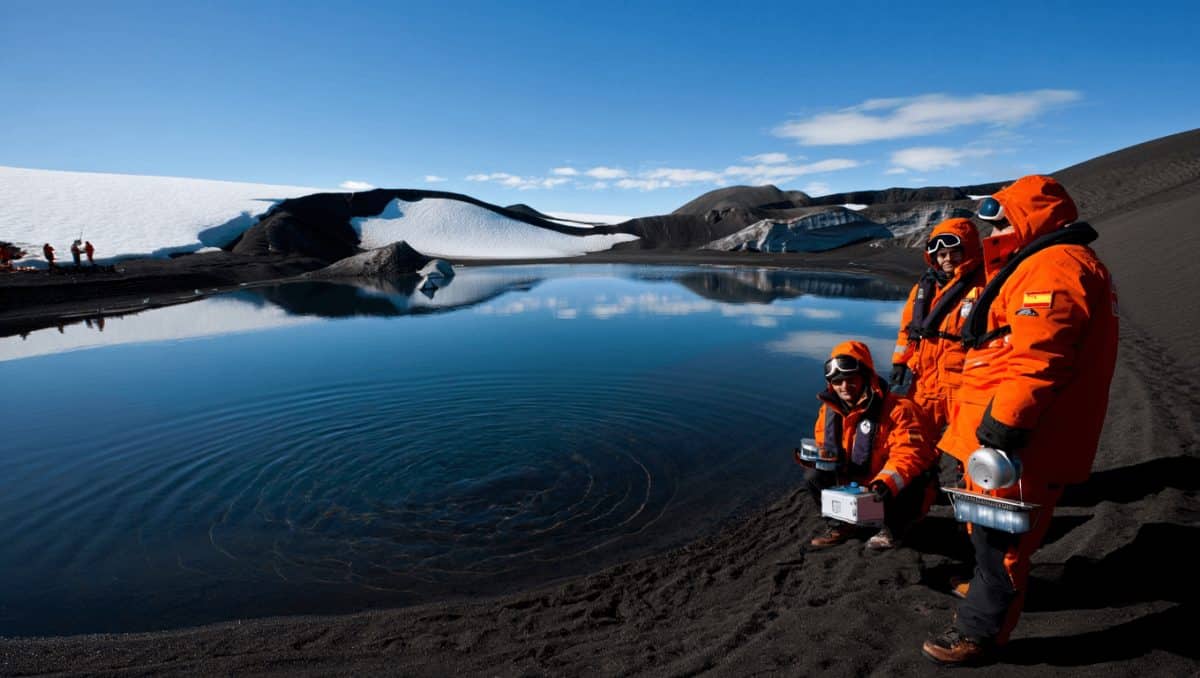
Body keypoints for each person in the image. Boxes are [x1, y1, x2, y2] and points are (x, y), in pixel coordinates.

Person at [921, 176, 1119, 666]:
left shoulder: (1053, 266)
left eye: (1003, 216)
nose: (995, 227)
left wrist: (1005, 424)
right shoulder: (1043, 264)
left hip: (1020, 440)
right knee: (988, 528)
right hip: (1008, 432)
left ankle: (980, 632)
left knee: (1001, 537)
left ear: (1031, 217)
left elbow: (1041, 358)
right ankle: (990, 587)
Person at [802, 340, 940, 550]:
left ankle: (895, 529)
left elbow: (910, 455)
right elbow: (824, 442)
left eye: (851, 380)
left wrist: (884, 483)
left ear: (866, 377)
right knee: (813, 476)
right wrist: (817, 458)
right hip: (857, 487)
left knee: (910, 478)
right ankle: (843, 524)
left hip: (885, 488)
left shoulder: (900, 409)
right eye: (837, 382)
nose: (844, 387)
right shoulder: (828, 411)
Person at [890, 218, 985, 434]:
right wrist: (899, 363)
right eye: (942, 255)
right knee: (916, 438)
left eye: (954, 252)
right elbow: (907, 330)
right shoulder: (924, 289)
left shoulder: (984, 285)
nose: (948, 259)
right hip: (924, 382)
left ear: (967, 250)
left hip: (963, 384)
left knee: (966, 443)